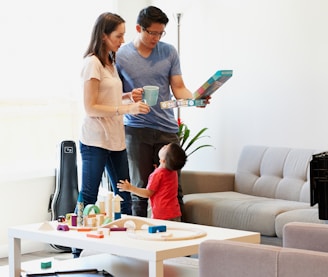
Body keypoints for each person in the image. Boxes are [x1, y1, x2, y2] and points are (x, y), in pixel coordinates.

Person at [116, 6, 200, 218]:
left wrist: (194, 100)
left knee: (173, 189)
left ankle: (178, 241)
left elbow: (178, 87)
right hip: (136, 130)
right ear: (138, 28)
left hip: (167, 130)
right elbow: (114, 93)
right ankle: (141, 244)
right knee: (140, 190)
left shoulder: (169, 51)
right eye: (151, 32)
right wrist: (130, 96)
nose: (156, 37)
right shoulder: (121, 55)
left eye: (160, 33)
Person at [78, 12, 150, 227]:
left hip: (115, 139)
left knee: (124, 195)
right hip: (95, 140)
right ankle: (76, 248)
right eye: (118, 36)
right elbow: (90, 107)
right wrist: (127, 108)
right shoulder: (92, 63)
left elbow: (106, 97)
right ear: (104, 36)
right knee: (89, 196)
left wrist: (128, 96)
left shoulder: (110, 62)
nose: (123, 41)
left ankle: (129, 247)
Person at [117, 143, 187, 221]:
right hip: (175, 212)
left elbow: (148, 193)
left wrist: (130, 188)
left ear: (163, 160)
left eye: (165, 148)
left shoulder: (157, 175)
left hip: (162, 215)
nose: (164, 146)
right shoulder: (174, 172)